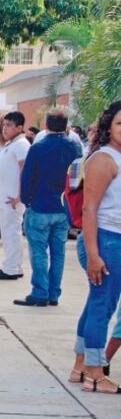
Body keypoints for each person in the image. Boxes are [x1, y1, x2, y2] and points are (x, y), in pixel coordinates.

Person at [69, 101, 121, 392]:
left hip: (113, 239)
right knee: (103, 305)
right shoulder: (104, 159)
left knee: (95, 304)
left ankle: (80, 365)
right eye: (119, 124)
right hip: (106, 239)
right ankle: (94, 371)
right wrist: (93, 254)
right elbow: (89, 210)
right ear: (108, 127)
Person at [14, 107, 84, 306]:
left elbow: (27, 176)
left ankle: (40, 292)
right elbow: (76, 178)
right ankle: (54, 293)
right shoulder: (75, 146)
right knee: (58, 252)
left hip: (40, 204)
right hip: (63, 206)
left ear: (46, 126)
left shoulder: (38, 147)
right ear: (66, 126)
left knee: (38, 251)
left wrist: (27, 200)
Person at [0, 111, 31, 281]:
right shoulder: (11, 144)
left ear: (19, 127)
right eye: (4, 125)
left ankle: (10, 268)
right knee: (9, 233)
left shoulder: (21, 145)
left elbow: (25, 170)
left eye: (9, 125)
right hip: (4, 196)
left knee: (11, 232)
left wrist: (20, 196)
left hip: (12, 199)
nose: (5, 129)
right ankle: (14, 265)